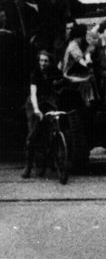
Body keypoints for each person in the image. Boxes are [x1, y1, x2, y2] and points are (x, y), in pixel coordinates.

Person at [21, 51, 63, 179]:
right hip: (35, 102)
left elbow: (63, 78)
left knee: (54, 128)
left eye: (46, 61)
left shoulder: (54, 71)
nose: (43, 63)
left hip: (48, 100)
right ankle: (28, 166)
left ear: (50, 62)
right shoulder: (35, 73)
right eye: (41, 60)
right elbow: (33, 93)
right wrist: (36, 109)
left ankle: (51, 160)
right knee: (33, 133)